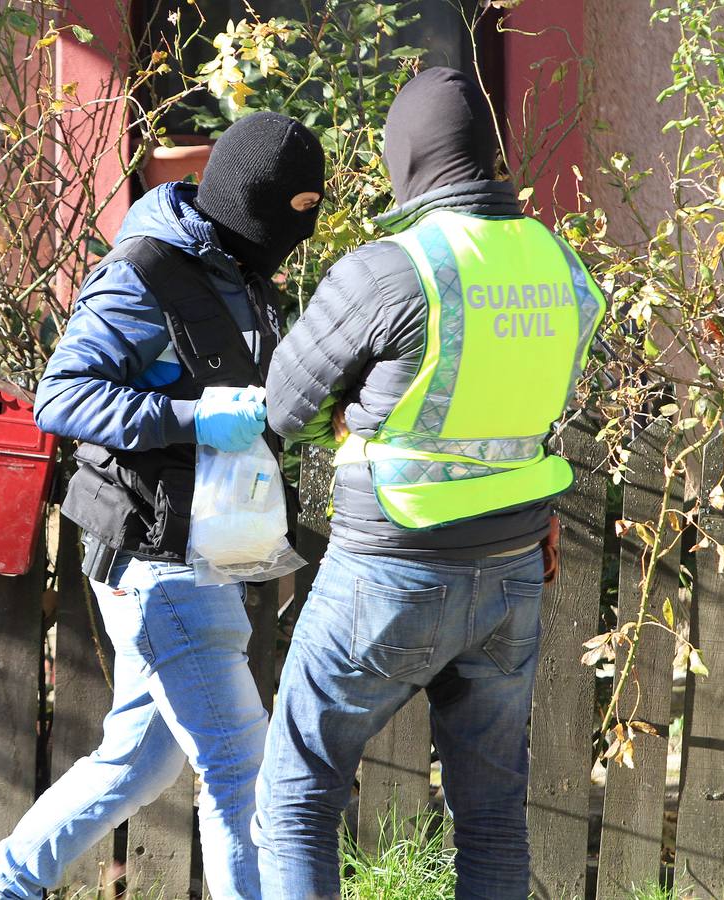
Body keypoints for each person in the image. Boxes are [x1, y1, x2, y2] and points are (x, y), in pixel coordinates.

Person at [0, 112, 325, 900]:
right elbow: (62, 396)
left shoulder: (236, 264)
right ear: (241, 206)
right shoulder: (148, 270)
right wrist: (195, 418)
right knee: (239, 771)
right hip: (156, 562)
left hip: (203, 553)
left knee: (133, 764)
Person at [256, 67, 605, 899]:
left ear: (404, 158)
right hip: (512, 568)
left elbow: (283, 406)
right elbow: (547, 390)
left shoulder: (391, 269)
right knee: (489, 814)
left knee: (297, 795)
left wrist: (343, 419)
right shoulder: (560, 266)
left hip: (388, 565)